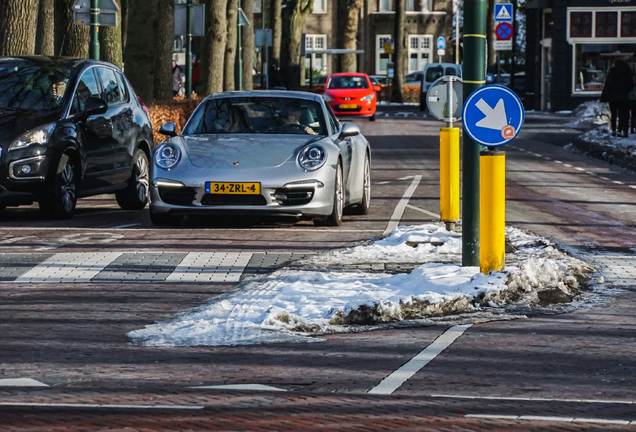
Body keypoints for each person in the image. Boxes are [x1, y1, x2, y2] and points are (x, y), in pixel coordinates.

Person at [600, 58, 634, 138]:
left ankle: (613, 130)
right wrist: (626, 91)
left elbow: (608, 84)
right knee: (623, 114)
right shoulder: (627, 72)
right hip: (623, 96)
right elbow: (631, 84)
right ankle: (620, 130)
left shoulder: (612, 72)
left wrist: (605, 94)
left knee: (613, 114)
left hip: (613, 96)